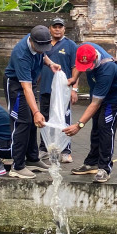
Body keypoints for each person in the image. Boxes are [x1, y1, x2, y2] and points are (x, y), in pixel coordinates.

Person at [4, 25, 62, 179]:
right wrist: (36, 112)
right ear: (31, 41)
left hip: (30, 82)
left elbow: (42, 56)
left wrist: (50, 64)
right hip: (17, 86)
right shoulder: (21, 54)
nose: (42, 49)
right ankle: (17, 166)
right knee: (22, 122)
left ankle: (32, 159)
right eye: (39, 47)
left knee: (31, 123)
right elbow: (26, 88)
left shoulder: (39, 44)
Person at [65, 43, 117, 182]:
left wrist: (79, 125)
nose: (86, 69)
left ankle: (105, 168)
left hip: (114, 95)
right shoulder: (85, 48)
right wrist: (75, 79)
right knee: (96, 127)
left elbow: (95, 103)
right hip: (97, 90)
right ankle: (92, 162)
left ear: (95, 59)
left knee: (105, 128)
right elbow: (79, 65)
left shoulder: (107, 69)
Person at [38, 18, 79, 163]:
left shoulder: (70, 45)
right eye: (54, 27)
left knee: (64, 119)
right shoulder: (43, 44)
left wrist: (74, 89)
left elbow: (76, 68)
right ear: (50, 28)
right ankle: (43, 148)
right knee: (44, 118)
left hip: (63, 91)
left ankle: (65, 150)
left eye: (60, 27)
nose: (57, 29)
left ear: (64, 29)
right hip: (45, 87)